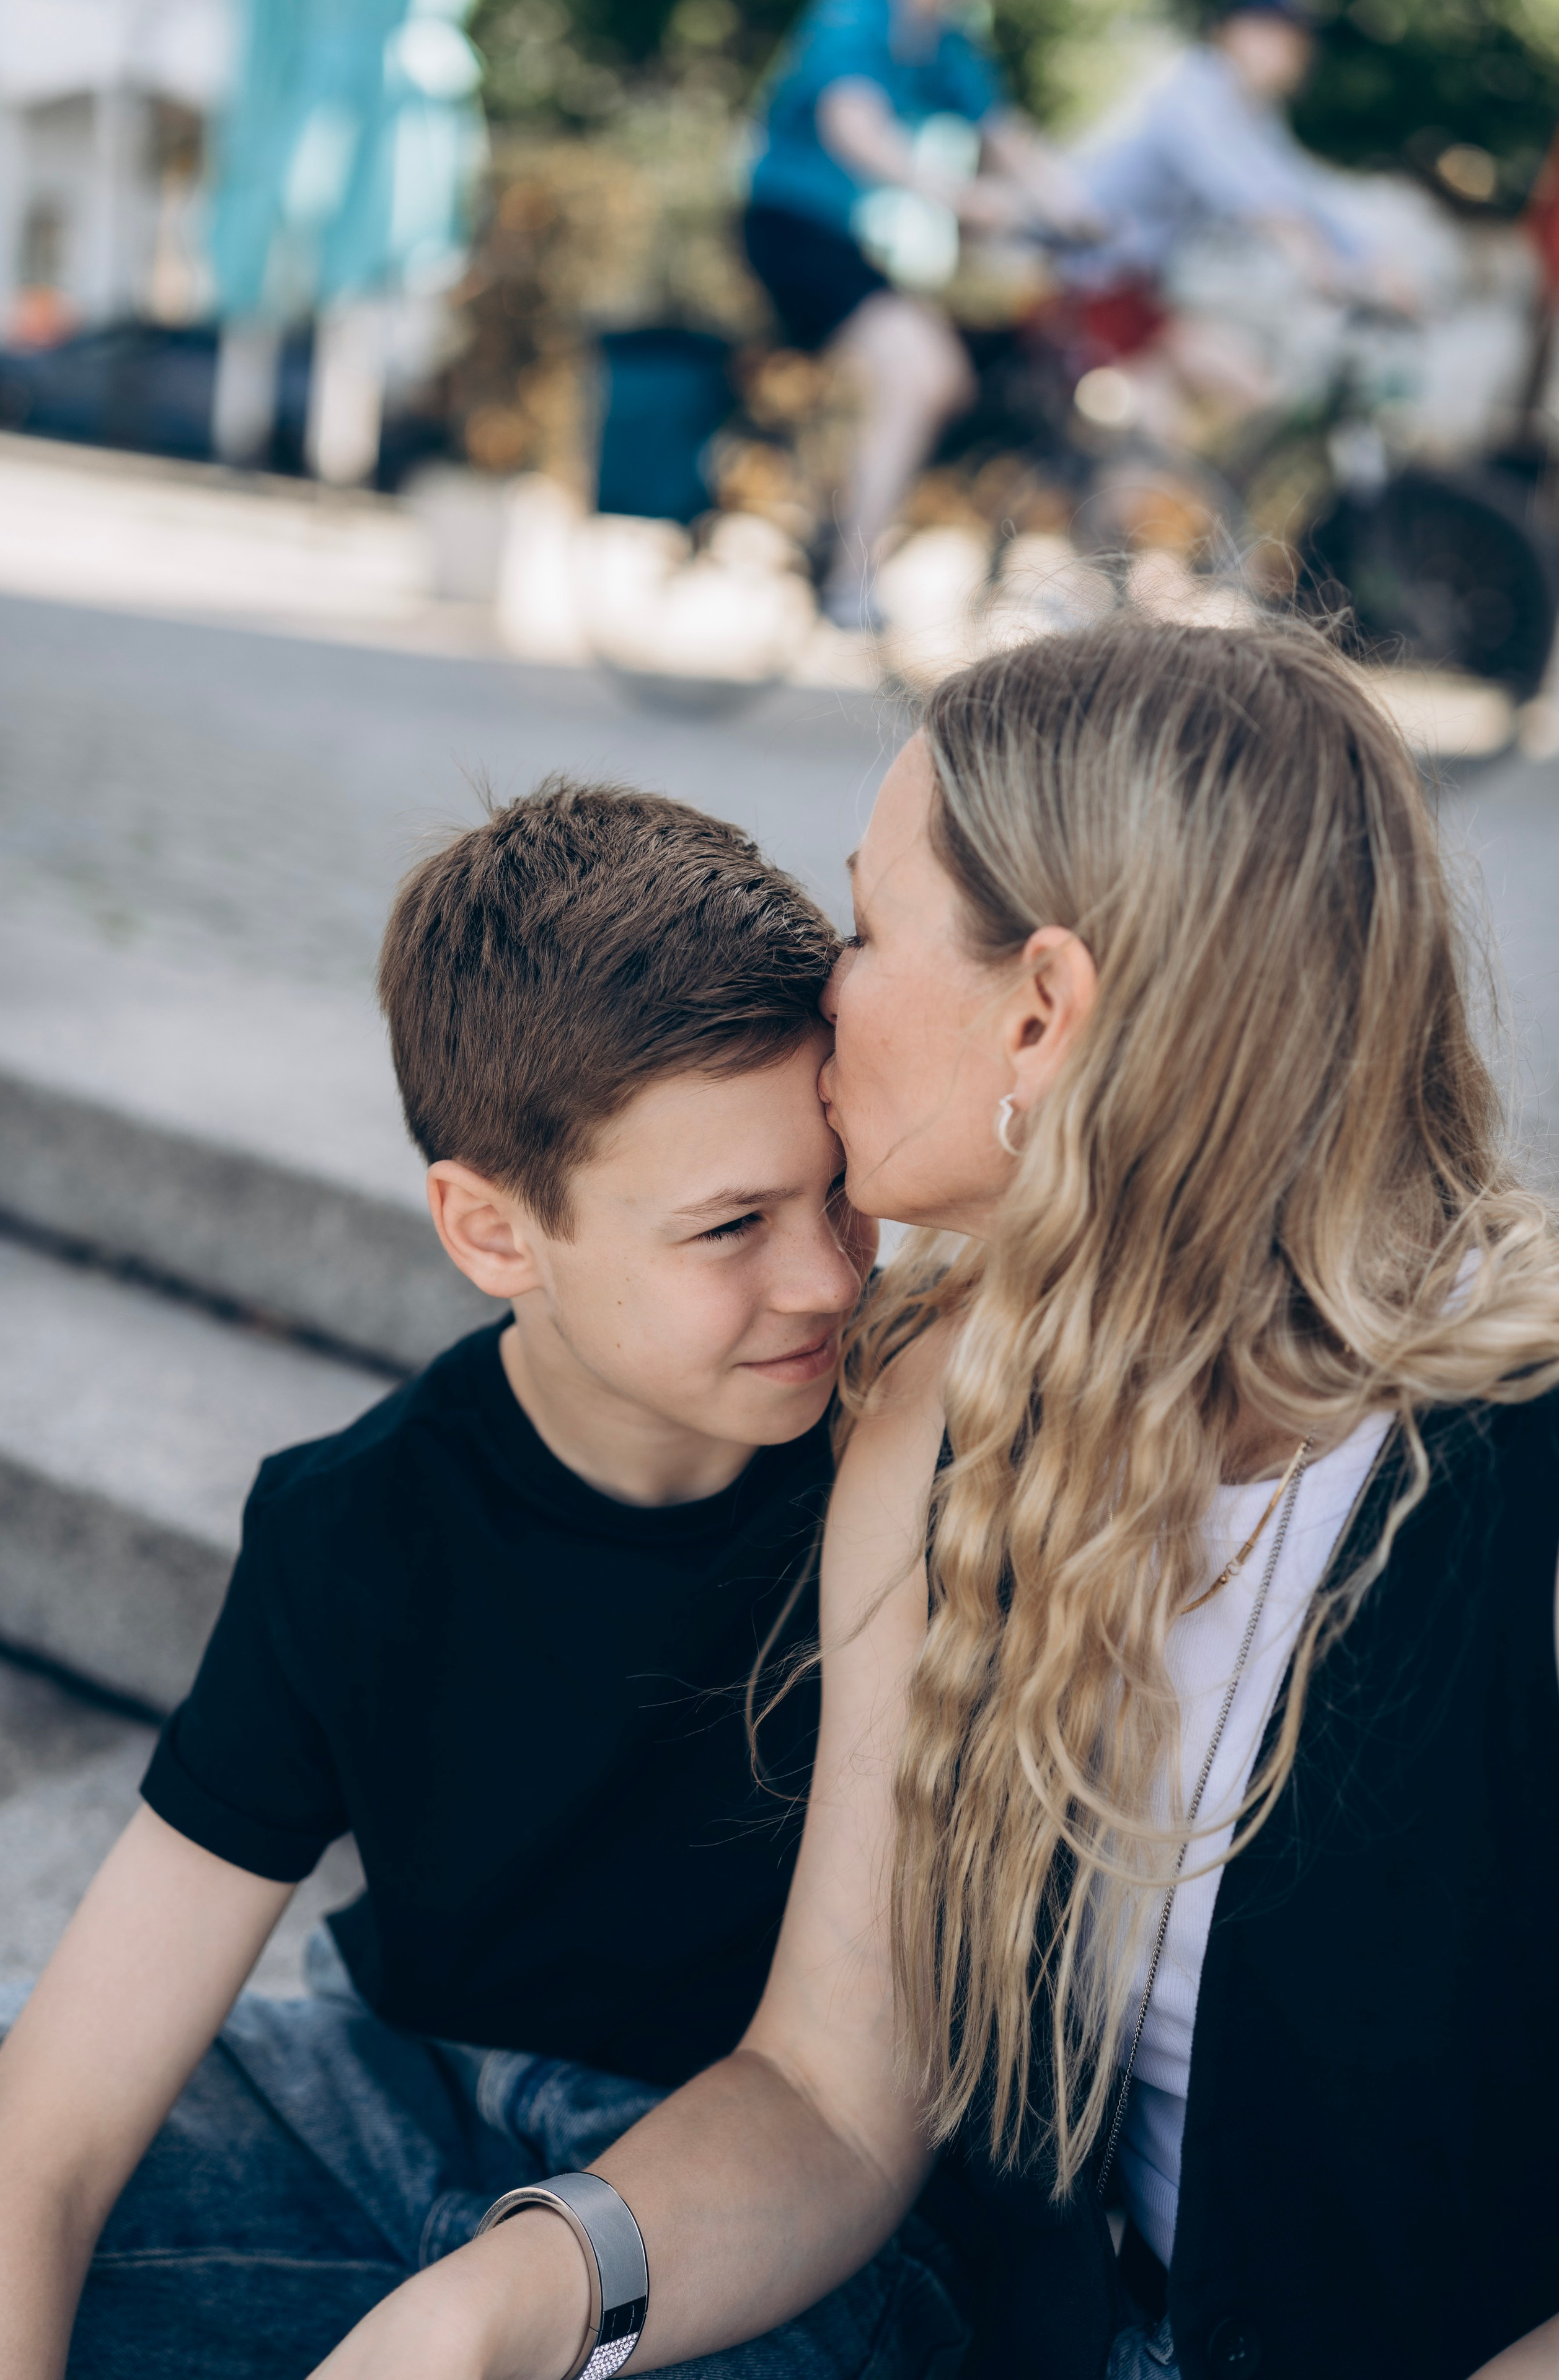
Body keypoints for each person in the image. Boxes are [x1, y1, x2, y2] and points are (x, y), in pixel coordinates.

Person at [308, 620, 1559, 2380]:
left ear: (1042, 1014)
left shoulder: (1523, 1481)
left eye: (870, 925)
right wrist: (507, 2302)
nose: (827, 983)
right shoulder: (939, 1403)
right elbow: (831, 2093)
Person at [0, 783, 972, 2380]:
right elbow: (48, 2132)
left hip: (751, 2227)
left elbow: (848, 2109)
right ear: (492, 1231)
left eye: (838, 1191)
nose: (825, 1276)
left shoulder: (905, 1469)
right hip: (393, 2108)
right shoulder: (353, 1528)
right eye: (729, 1225)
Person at [743, 0, 1093, 632]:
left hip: (847, 242)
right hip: (789, 230)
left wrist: (1075, 209)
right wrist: (956, 195)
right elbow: (853, 128)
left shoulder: (945, 44)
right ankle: (850, 577)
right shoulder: (853, 18)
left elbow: (1007, 135)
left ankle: (853, 517)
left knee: (948, 380)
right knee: (922, 373)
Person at [1055, 0, 1377, 434]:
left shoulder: (1253, 112)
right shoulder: (1193, 89)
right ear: (1235, 31)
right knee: (1213, 403)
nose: (1295, 58)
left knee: (1247, 394)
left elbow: (1299, 185)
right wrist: (1307, 252)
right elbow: (1239, 186)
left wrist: (1369, 255)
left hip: (1137, 288)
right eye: (1282, 38)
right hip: (1081, 277)